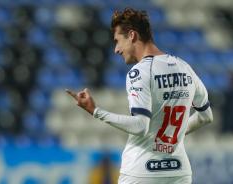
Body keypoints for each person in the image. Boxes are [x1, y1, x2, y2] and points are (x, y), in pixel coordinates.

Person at [66, 8, 213, 184]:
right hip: (179, 172)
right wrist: (173, 135)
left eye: (118, 41)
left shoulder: (140, 72)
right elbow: (206, 116)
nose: (116, 49)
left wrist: (96, 111)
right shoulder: (185, 68)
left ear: (132, 35)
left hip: (142, 171)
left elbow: (140, 126)